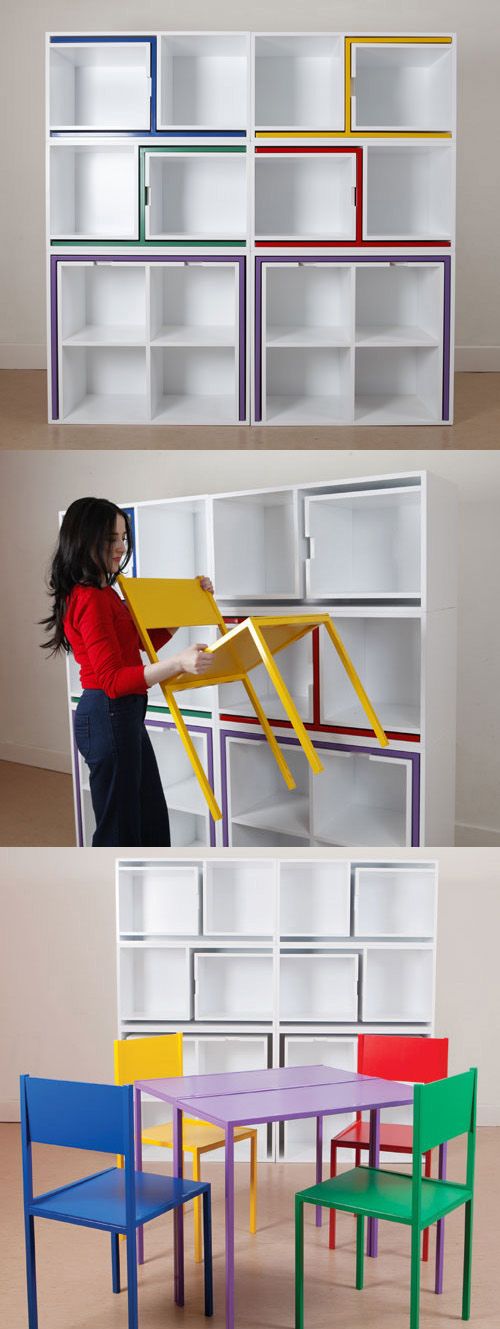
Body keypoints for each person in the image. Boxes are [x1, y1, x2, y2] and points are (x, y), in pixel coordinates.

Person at [41, 496, 213, 847]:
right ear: (85, 538)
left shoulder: (104, 593)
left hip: (121, 715)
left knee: (147, 817)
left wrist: (188, 606)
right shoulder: (90, 598)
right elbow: (114, 681)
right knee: (120, 829)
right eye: (111, 539)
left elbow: (135, 642)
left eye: (123, 537)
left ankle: (146, 890)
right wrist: (178, 664)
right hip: (109, 712)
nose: (120, 547)